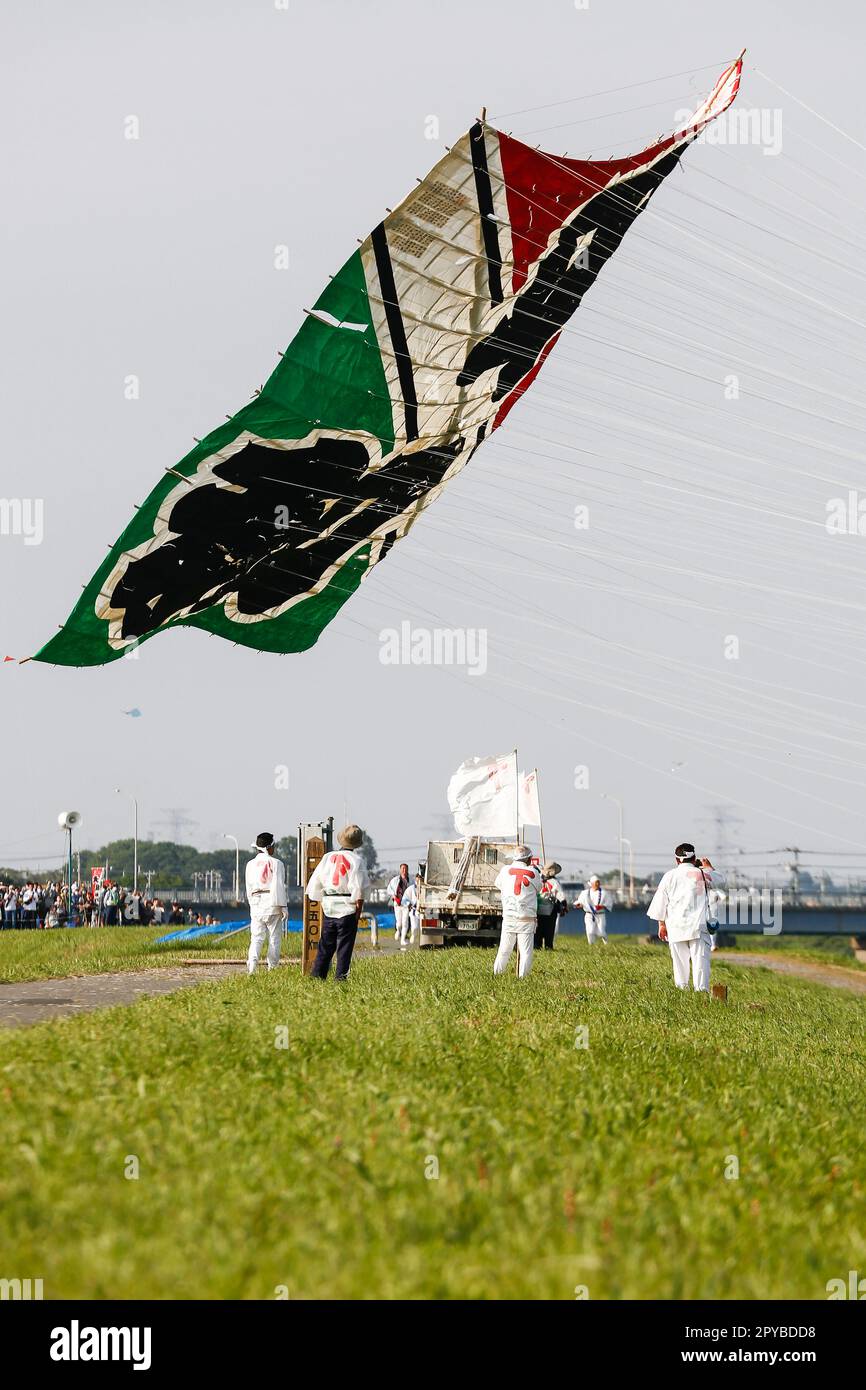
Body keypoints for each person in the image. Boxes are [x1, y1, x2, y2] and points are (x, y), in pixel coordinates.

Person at [646, 843, 726, 993]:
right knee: (700, 964)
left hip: (675, 927)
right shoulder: (702, 874)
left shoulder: (669, 876)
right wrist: (708, 867)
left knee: (679, 965)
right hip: (698, 927)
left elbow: (660, 902)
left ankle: (682, 994)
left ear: (677, 860)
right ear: (694, 857)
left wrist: (661, 924)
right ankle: (701, 994)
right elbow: (721, 881)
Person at [306, 824, 369, 981]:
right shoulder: (357, 860)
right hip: (347, 905)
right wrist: (357, 913)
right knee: (344, 947)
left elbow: (316, 880)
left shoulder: (328, 857)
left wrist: (322, 899)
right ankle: (340, 978)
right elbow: (359, 889)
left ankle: (317, 976)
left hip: (329, 904)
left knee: (325, 946)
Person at [493, 846, 542, 979]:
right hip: (526, 917)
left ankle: (497, 975)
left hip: (509, 916)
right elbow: (539, 888)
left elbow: (498, 884)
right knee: (526, 951)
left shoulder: (505, 870)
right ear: (529, 859)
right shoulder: (534, 872)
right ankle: (522, 978)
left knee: (504, 950)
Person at [245, 831, 288, 974]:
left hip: (256, 902)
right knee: (274, 938)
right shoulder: (277, 863)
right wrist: (284, 906)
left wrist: (252, 904)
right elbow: (279, 886)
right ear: (269, 847)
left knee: (256, 938)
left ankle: (252, 967)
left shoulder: (250, 864)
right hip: (273, 902)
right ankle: (272, 968)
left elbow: (248, 887)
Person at [536, 861, 567, 950]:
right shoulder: (554, 882)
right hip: (550, 910)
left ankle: (537, 946)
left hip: (538, 909)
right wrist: (564, 906)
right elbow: (561, 896)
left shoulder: (538, 880)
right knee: (549, 930)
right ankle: (548, 946)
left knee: (538, 929)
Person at [576, 874, 613, 945]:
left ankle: (606, 943)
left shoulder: (604, 893)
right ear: (592, 884)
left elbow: (609, 903)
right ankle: (591, 945)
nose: (597, 884)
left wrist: (602, 906)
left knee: (601, 932)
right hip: (589, 915)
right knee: (590, 931)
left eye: (598, 882)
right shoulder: (585, 893)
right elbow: (580, 902)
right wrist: (579, 905)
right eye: (596, 882)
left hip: (600, 915)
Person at [388, 863, 411, 944]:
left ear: (407, 870)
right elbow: (389, 889)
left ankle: (403, 939)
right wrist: (394, 897)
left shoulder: (410, 881)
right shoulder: (395, 880)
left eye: (405, 868)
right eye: (402, 868)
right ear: (400, 869)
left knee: (405, 922)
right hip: (397, 904)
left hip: (406, 904)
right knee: (399, 923)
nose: (404, 870)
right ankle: (398, 930)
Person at [400, 872, 422, 950]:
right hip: (414, 911)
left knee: (422, 929)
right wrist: (409, 904)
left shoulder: (426, 888)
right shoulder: (411, 889)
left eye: (420, 877)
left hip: (424, 911)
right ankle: (413, 935)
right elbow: (404, 899)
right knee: (414, 927)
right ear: (415, 878)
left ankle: (421, 942)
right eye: (418, 877)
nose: (419, 879)